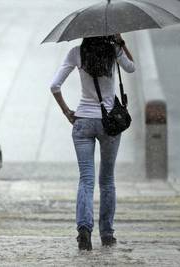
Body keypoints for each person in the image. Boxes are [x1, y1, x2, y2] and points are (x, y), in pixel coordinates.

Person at [50, 34, 135, 251]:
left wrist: (67, 111)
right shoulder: (113, 51)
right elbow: (132, 68)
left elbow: (54, 86)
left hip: (83, 122)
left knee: (85, 180)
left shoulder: (76, 53)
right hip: (110, 125)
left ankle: (84, 232)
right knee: (107, 180)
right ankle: (106, 234)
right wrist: (121, 43)